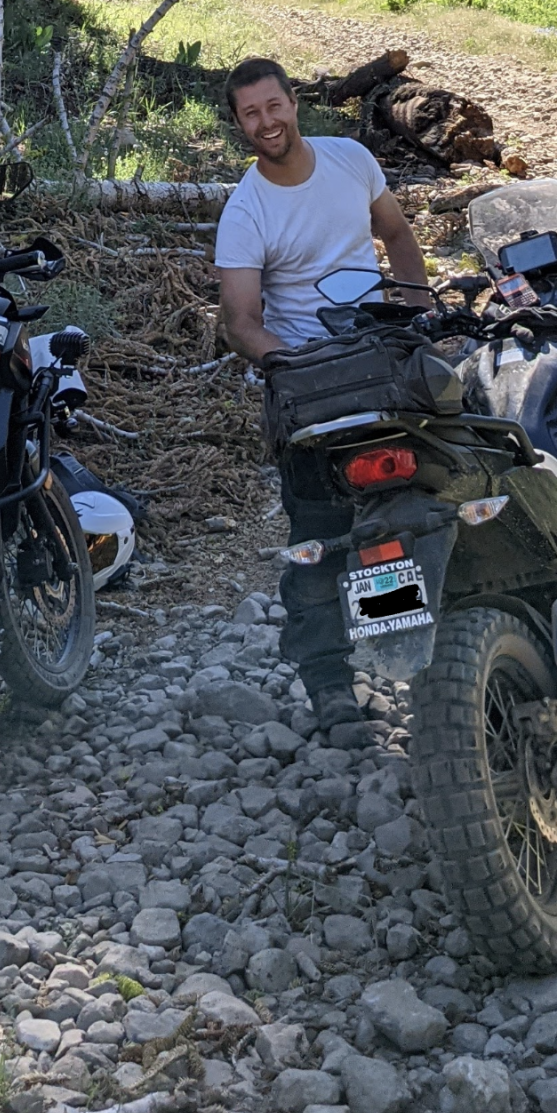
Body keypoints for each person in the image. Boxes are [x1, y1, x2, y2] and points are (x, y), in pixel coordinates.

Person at [216, 56, 430, 744]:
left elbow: (396, 234)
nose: (266, 121)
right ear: (239, 124)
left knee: (411, 510)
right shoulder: (244, 211)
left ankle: (423, 665)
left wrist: (415, 310)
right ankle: (333, 689)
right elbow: (242, 321)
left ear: (293, 102)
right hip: (307, 383)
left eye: (273, 105)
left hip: (383, 357)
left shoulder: (351, 159)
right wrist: (296, 363)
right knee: (319, 535)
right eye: (251, 113)